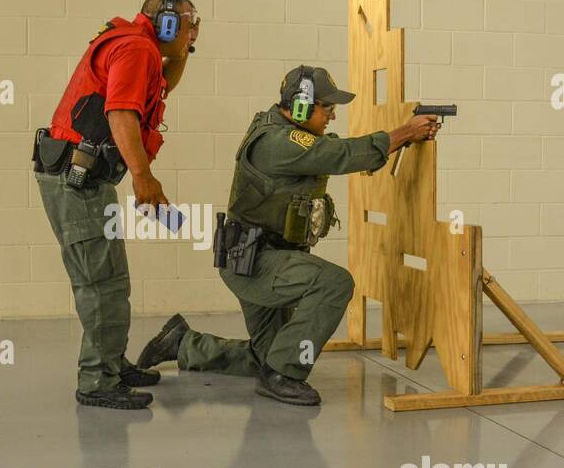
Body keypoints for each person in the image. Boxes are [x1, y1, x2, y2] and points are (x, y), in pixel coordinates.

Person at [137, 65, 440, 406]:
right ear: (301, 106)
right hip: (258, 262)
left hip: (253, 257)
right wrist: (403, 132)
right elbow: (337, 155)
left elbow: (333, 150)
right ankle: (284, 376)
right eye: (327, 108)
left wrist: (392, 143)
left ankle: (183, 344)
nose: (332, 116)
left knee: (265, 357)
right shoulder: (278, 141)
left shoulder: (285, 132)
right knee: (334, 283)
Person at [33, 0, 198, 409]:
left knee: (112, 279)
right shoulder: (135, 49)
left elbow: (157, 92)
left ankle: (111, 362)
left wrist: (182, 53)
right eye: (187, 21)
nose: (194, 30)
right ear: (164, 23)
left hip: (86, 177)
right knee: (99, 283)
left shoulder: (138, 48)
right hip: (78, 181)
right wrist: (144, 178)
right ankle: (96, 381)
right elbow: (121, 113)